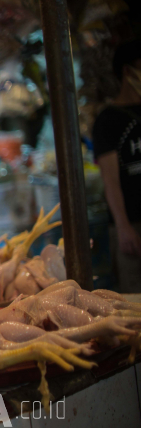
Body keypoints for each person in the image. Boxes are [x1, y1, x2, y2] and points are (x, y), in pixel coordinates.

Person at [93, 39, 141, 292]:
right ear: (128, 71)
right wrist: (123, 227)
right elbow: (110, 181)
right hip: (132, 224)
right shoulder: (108, 120)